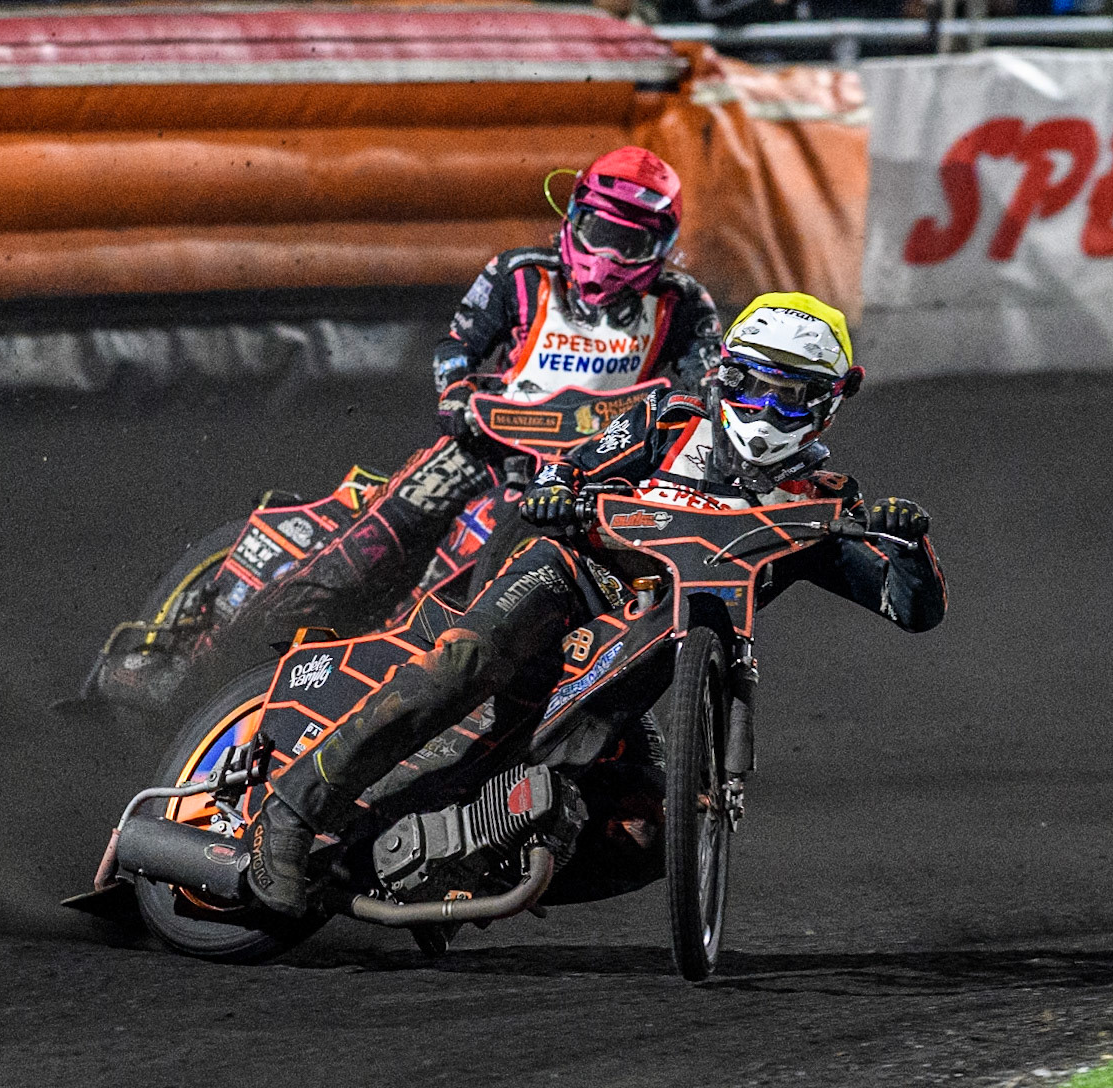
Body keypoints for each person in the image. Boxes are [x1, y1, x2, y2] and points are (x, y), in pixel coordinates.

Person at [242, 292, 947, 916]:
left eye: (788, 398)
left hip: (638, 669)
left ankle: (462, 876)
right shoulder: (666, 423)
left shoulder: (823, 504)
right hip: (569, 580)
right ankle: (291, 811)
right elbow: (568, 466)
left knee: (647, 834)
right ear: (724, 377)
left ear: (827, 402)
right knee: (468, 661)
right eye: (750, 387)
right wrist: (555, 488)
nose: (763, 413)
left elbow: (911, 609)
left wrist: (909, 546)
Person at [181, 146, 721, 699]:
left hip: (591, 471)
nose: (606, 255)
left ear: (660, 250)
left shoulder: (684, 305)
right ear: (572, 217)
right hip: (487, 447)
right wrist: (457, 394)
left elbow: (710, 385)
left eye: (627, 242)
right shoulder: (518, 273)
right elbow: (457, 344)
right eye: (597, 231)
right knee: (365, 554)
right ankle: (205, 666)